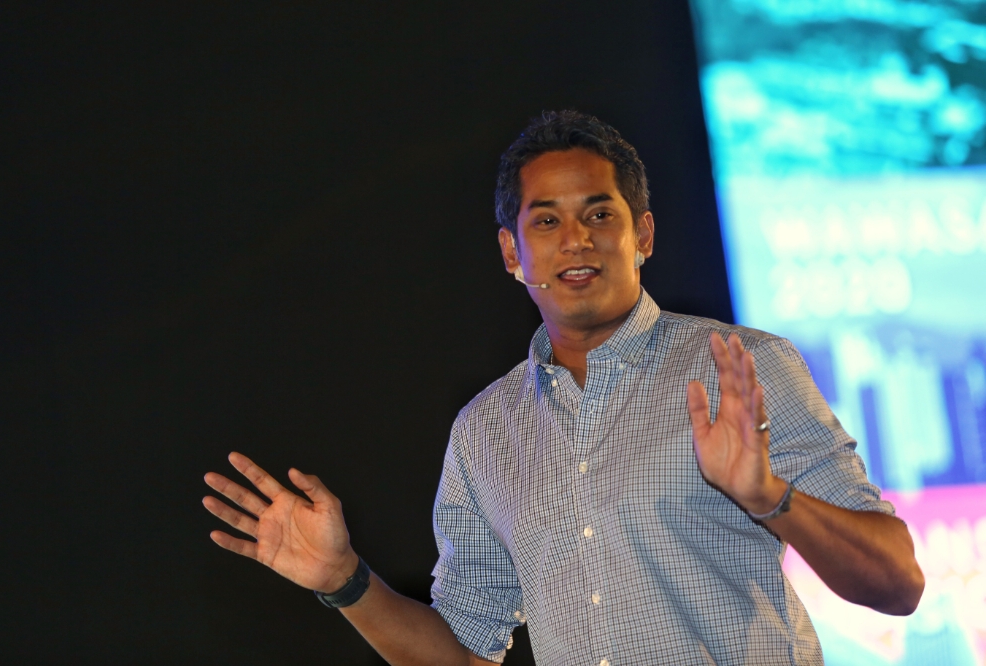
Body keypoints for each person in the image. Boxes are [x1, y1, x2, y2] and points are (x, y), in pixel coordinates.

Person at [202, 110, 924, 665]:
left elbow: (898, 584)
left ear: (642, 234)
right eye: (546, 220)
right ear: (513, 253)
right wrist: (346, 580)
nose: (575, 239)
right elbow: (464, 651)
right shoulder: (486, 433)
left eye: (599, 214)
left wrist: (770, 497)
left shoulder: (742, 366)